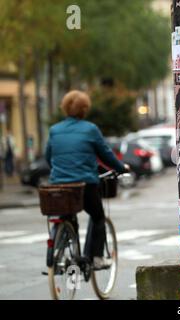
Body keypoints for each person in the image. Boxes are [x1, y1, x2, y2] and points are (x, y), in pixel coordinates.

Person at [45, 90, 128, 269]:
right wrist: (121, 167)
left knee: (66, 214)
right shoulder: (90, 129)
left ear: (65, 108)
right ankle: (96, 258)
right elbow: (106, 154)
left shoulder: (54, 130)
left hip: (59, 185)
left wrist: (60, 172)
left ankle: (64, 243)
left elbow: (48, 157)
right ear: (84, 109)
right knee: (98, 217)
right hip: (85, 184)